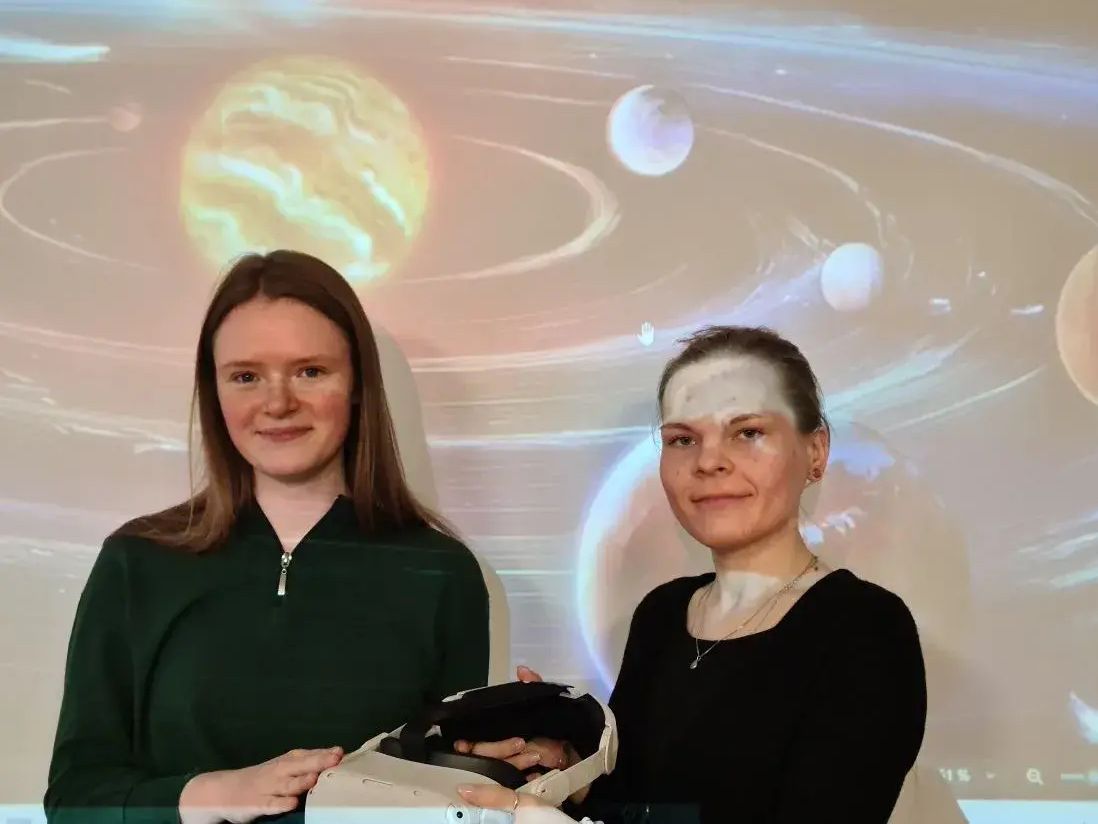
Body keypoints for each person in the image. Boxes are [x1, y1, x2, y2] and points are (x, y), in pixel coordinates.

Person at [43, 250, 490, 824]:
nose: (278, 403)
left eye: (310, 371)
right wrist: (214, 794)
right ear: (214, 391)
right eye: (246, 376)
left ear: (357, 383)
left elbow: (452, 802)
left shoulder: (441, 572)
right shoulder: (137, 561)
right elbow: (75, 799)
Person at [457, 325, 927, 824]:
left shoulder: (866, 628)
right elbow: (641, 805)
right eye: (683, 439)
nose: (708, 462)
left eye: (748, 432)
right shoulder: (661, 613)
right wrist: (569, 772)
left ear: (816, 452)